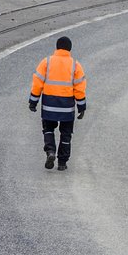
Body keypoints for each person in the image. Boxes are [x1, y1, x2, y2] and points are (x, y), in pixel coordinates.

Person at [29, 36, 87, 171]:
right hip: (67, 108)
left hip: (49, 105)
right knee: (66, 134)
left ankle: (50, 151)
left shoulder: (46, 62)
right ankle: (62, 163)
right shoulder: (75, 65)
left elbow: (37, 84)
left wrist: (33, 101)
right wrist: (81, 107)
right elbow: (79, 88)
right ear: (70, 49)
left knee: (48, 130)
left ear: (56, 47)